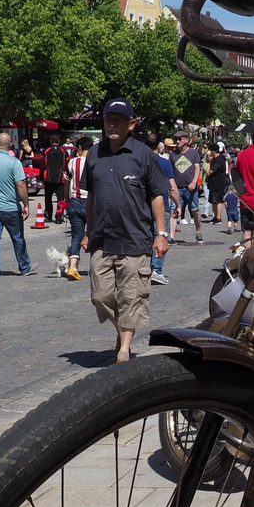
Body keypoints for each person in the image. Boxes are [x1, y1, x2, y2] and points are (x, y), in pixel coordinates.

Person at [82, 101, 168, 361]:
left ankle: (123, 349)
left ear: (131, 124)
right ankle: (123, 330)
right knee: (101, 296)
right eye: (108, 119)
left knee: (131, 296)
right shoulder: (95, 154)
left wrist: (161, 234)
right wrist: (87, 230)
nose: (112, 124)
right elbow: (91, 196)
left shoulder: (143, 155)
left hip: (134, 237)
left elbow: (157, 196)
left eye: (118, 119)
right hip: (102, 237)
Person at [0, 132, 33, 280]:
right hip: (9, 207)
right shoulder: (13, 162)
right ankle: (24, 267)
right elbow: (20, 184)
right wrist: (26, 204)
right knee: (17, 237)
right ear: (10, 145)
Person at [143, 132, 179, 284]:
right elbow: (171, 187)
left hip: (142, 206)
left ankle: (144, 268)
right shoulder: (164, 163)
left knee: (145, 237)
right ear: (159, 146)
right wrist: (178, 204)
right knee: (160, 235)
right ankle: (156, 270)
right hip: (161, 204)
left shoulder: (139, 160)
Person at [63, 135, 93, 282]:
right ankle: (96, 267)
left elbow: (67, 182)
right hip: (91, 202)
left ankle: (72, 267)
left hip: (75, 201)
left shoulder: (72, 162)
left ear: (79, 148)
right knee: (95, 234)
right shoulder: (95, 162)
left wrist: (66, 199)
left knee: (76, 236)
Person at [170, 133, 204, 243]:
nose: (177, 141)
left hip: (191, 188)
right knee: (174, 212)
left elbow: (197, 168)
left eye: (179, 139)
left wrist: (194, 182)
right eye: (175, 139)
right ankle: (171, 236)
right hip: (177, 188)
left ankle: (198, 232)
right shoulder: (173, 155)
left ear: (185, 140)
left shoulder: (193, 153)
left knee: (195, 211)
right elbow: (170, 172)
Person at [43, 138, 67, 224]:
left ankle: (49, 214)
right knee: (60, 198)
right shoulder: (63, 151)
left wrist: (41, 177)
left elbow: (43, 164)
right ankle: (59, 217)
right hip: (60, 178)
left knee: (48, 197)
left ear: (50, 141)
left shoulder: (47, 151)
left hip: (48, 178)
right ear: (59, 141)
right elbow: (66, 164)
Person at [207, 142, 230, 225]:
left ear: (213, 151)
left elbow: (211, 171)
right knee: (213, 201)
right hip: (213, 183)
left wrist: (209, 166)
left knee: (218, 200)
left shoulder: (219, 160)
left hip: (218, 183)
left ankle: (218, 218)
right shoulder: (215, 159)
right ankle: (215, 216)